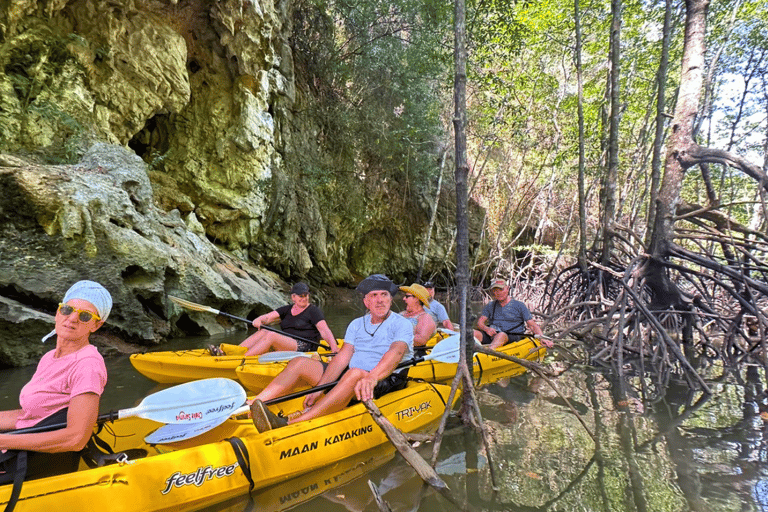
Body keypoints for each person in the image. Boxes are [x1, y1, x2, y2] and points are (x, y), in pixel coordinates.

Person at [249, 274, 414, 432]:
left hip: (384, 378)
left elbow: (396, 353)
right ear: (366, 301)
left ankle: (290, 424)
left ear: (391, 299)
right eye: (374, 295)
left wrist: (372, 377)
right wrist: (319, 389)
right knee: (300, 362)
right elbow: (343, 357)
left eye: (384, 295)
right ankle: (256, 403)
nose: (380, 300)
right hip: (353, 373)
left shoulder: (402, 324)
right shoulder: (356, 324)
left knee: (355, 373)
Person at [0, 280, 111, 485]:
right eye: (67, 309)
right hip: (25, 448)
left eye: (85, 316)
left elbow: (76, 438)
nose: (72, 318)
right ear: (58, 312)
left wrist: (3, 440)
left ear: (96, 325)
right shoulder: (50, 357)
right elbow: (32, 415)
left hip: (41, 461)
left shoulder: (88, 365)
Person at [239, 282, 339, 356]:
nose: (304, 298)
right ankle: (236, 351)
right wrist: (259, 320)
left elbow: (324, 330)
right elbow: (268, 317)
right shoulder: (286, 309)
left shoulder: (313, 311)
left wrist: (333, 346)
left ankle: (243, 358)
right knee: (264, 331)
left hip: (305, 346)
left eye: (306, 295)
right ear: (293, 297)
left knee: (272, 335)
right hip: (287, 342)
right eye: (301, 296)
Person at [473, 278, 552, 349]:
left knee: (501, 335)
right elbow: (480, 323)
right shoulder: (490, 305)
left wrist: (542, 338)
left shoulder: (519, 305)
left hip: (512, 336)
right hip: (493, 335)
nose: (498, 293)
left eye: (501, 289)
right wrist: (487, 329)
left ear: (507, 289)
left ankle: (487, 354)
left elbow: (532, 324)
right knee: (472, 333)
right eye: (495, 290)